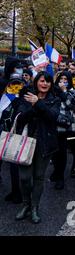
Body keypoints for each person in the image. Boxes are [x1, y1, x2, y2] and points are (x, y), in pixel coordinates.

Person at [14, 71, 60, 224]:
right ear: (36, 82)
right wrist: (33, 105)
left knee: (39, 177)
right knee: (25, 178)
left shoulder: (55, 100)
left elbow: (53, 117)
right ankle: (26, 204)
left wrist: (38, 103)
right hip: (25, 143)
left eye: (48, 81)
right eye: (42, 81)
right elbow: (20, 119)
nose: (45, 84)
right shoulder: (26, 96)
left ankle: (34, 208)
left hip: (44, 144)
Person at [50, 71, 75, 190]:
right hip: (53, 124)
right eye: (61, 79)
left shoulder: (73, 92)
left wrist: (63, 92)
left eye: (65, 79)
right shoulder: (52, 91)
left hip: (65, 126)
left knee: (62, 152)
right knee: (53, 152)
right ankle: (56, 171)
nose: (63, 81)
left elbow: (72, 105)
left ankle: (60, 177)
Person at [0, 73, 26, 204]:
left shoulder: (24, 98)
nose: (15, 86)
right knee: (8, 164)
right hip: (4, 133)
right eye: (12, 84)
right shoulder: (4, 96)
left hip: (17, 135)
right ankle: (15, 191)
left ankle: (19, 194)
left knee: (16, 167)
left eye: (18, 84)